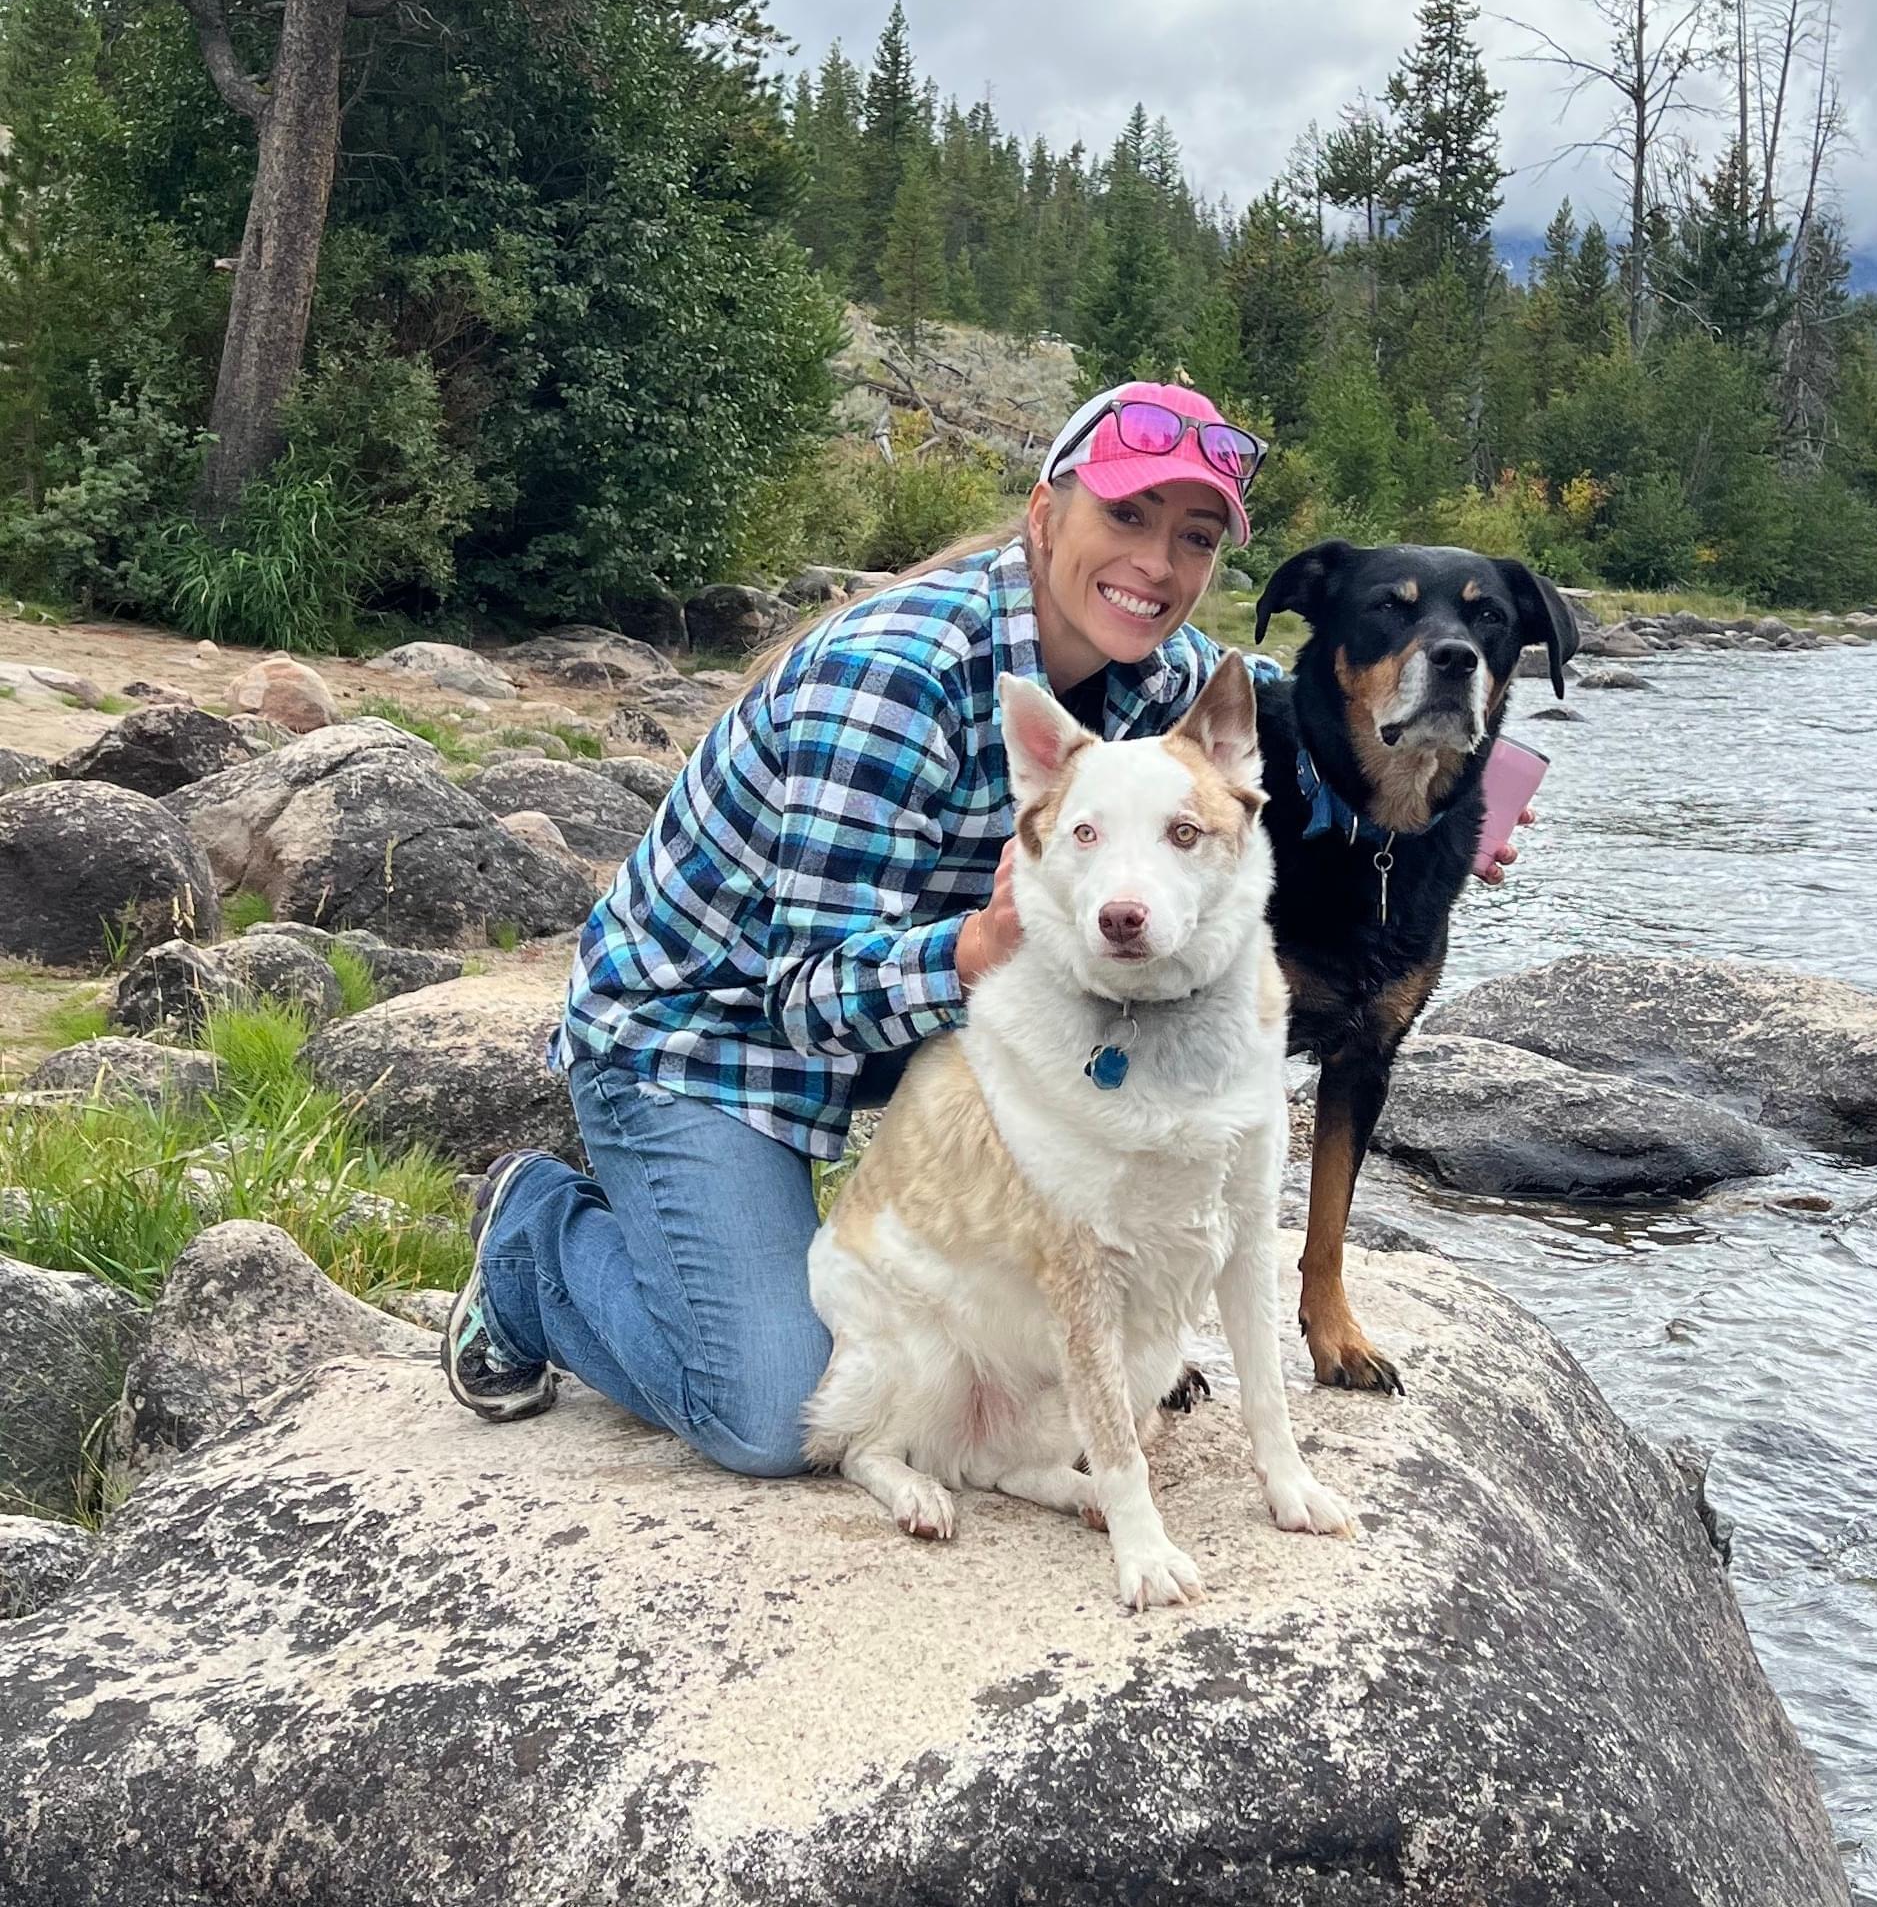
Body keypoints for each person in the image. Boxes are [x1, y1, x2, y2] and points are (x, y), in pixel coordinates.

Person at [442, 381, 1524, 1469]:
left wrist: (1448, 802)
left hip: (914, 1034)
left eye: (1192, 538)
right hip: (706, 1037)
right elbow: (805, 997)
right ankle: (539, 1239)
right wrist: (975, 949)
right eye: (1127, 516)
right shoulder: (894, 680)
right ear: (1047, 516)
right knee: (773, 1414)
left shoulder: (1166, 676)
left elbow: (1308, 709)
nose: (1155, 563)